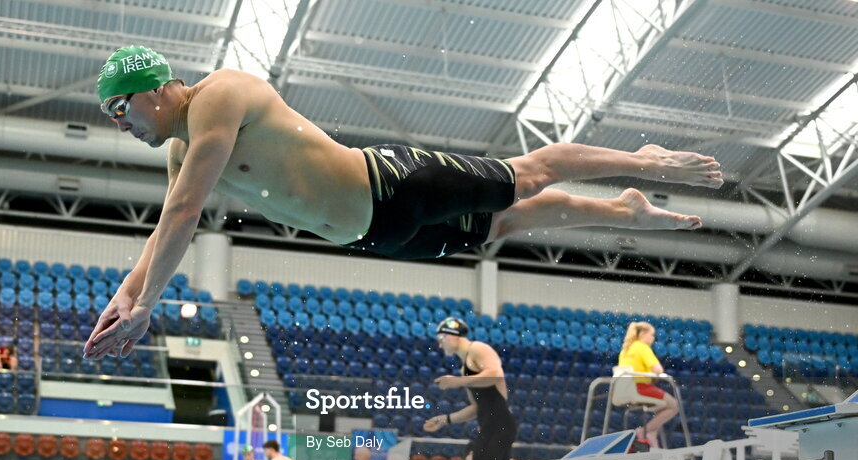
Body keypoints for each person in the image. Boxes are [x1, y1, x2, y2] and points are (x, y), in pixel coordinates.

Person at [83, 46, 723, 360]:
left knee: (528, 176)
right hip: (372, 235)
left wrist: (148, 303)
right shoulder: (177, 151)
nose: (118, 123)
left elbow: (185, 212)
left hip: (391, 182)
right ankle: (622, 211)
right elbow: (166, 232)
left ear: (155, 89)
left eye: (119, 108)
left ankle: (643, 161)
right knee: (501, 225)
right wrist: (125, 295)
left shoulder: (218, 97)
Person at [424, 317, 516, 460]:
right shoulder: (467, 365)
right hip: (496, 424)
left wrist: (457, 382)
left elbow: (495, 373)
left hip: (497, 424)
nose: (439, 344)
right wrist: (445, 419)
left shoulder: (478, 349)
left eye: (440, 338)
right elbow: (476, 408)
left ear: (451, 336)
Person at [617, 321, 679, 447]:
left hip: (623, 390)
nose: (653, 338)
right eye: (651, 335)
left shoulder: (626, 349)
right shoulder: (642, 347)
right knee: (674, 405)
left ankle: (651, 434)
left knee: (662, 408)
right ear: (643, 334)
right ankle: (644, 431)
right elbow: (658, 370)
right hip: (639, 387)